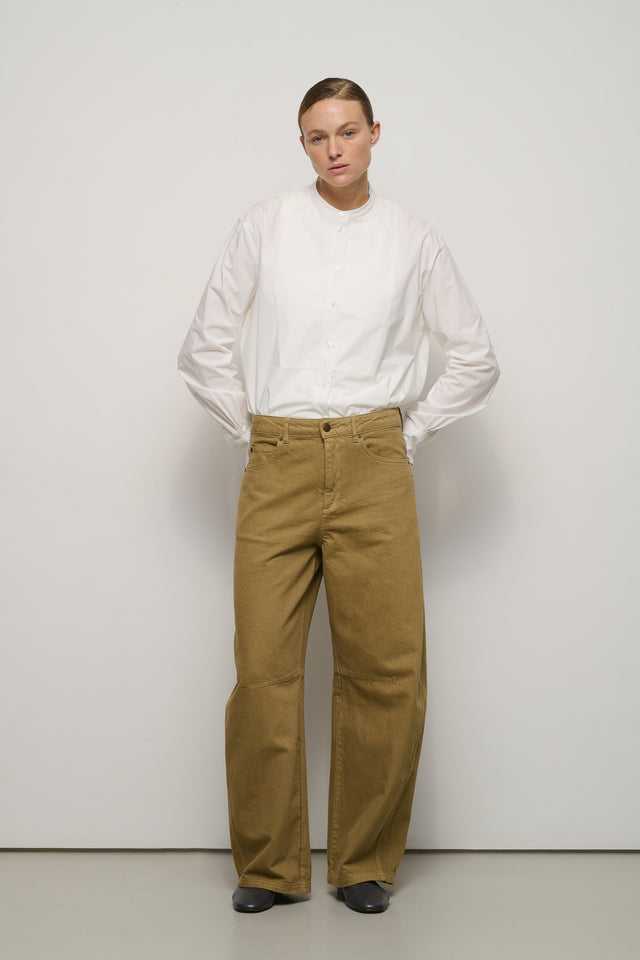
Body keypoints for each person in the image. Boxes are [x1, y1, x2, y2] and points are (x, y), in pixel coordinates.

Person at [178, 77, 499, 914]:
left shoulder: (413, 241)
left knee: (386, 668)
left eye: (348, 131)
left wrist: (408, 435)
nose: (335, 149)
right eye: (318, 136)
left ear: (374, 134)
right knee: (263, 669)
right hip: (278, 457)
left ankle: (362, 862)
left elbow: (476, 357)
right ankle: (268, 867)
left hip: (374, 459)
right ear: (303, 144)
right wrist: (255, 435)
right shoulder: (264, 226)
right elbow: (204, 346)